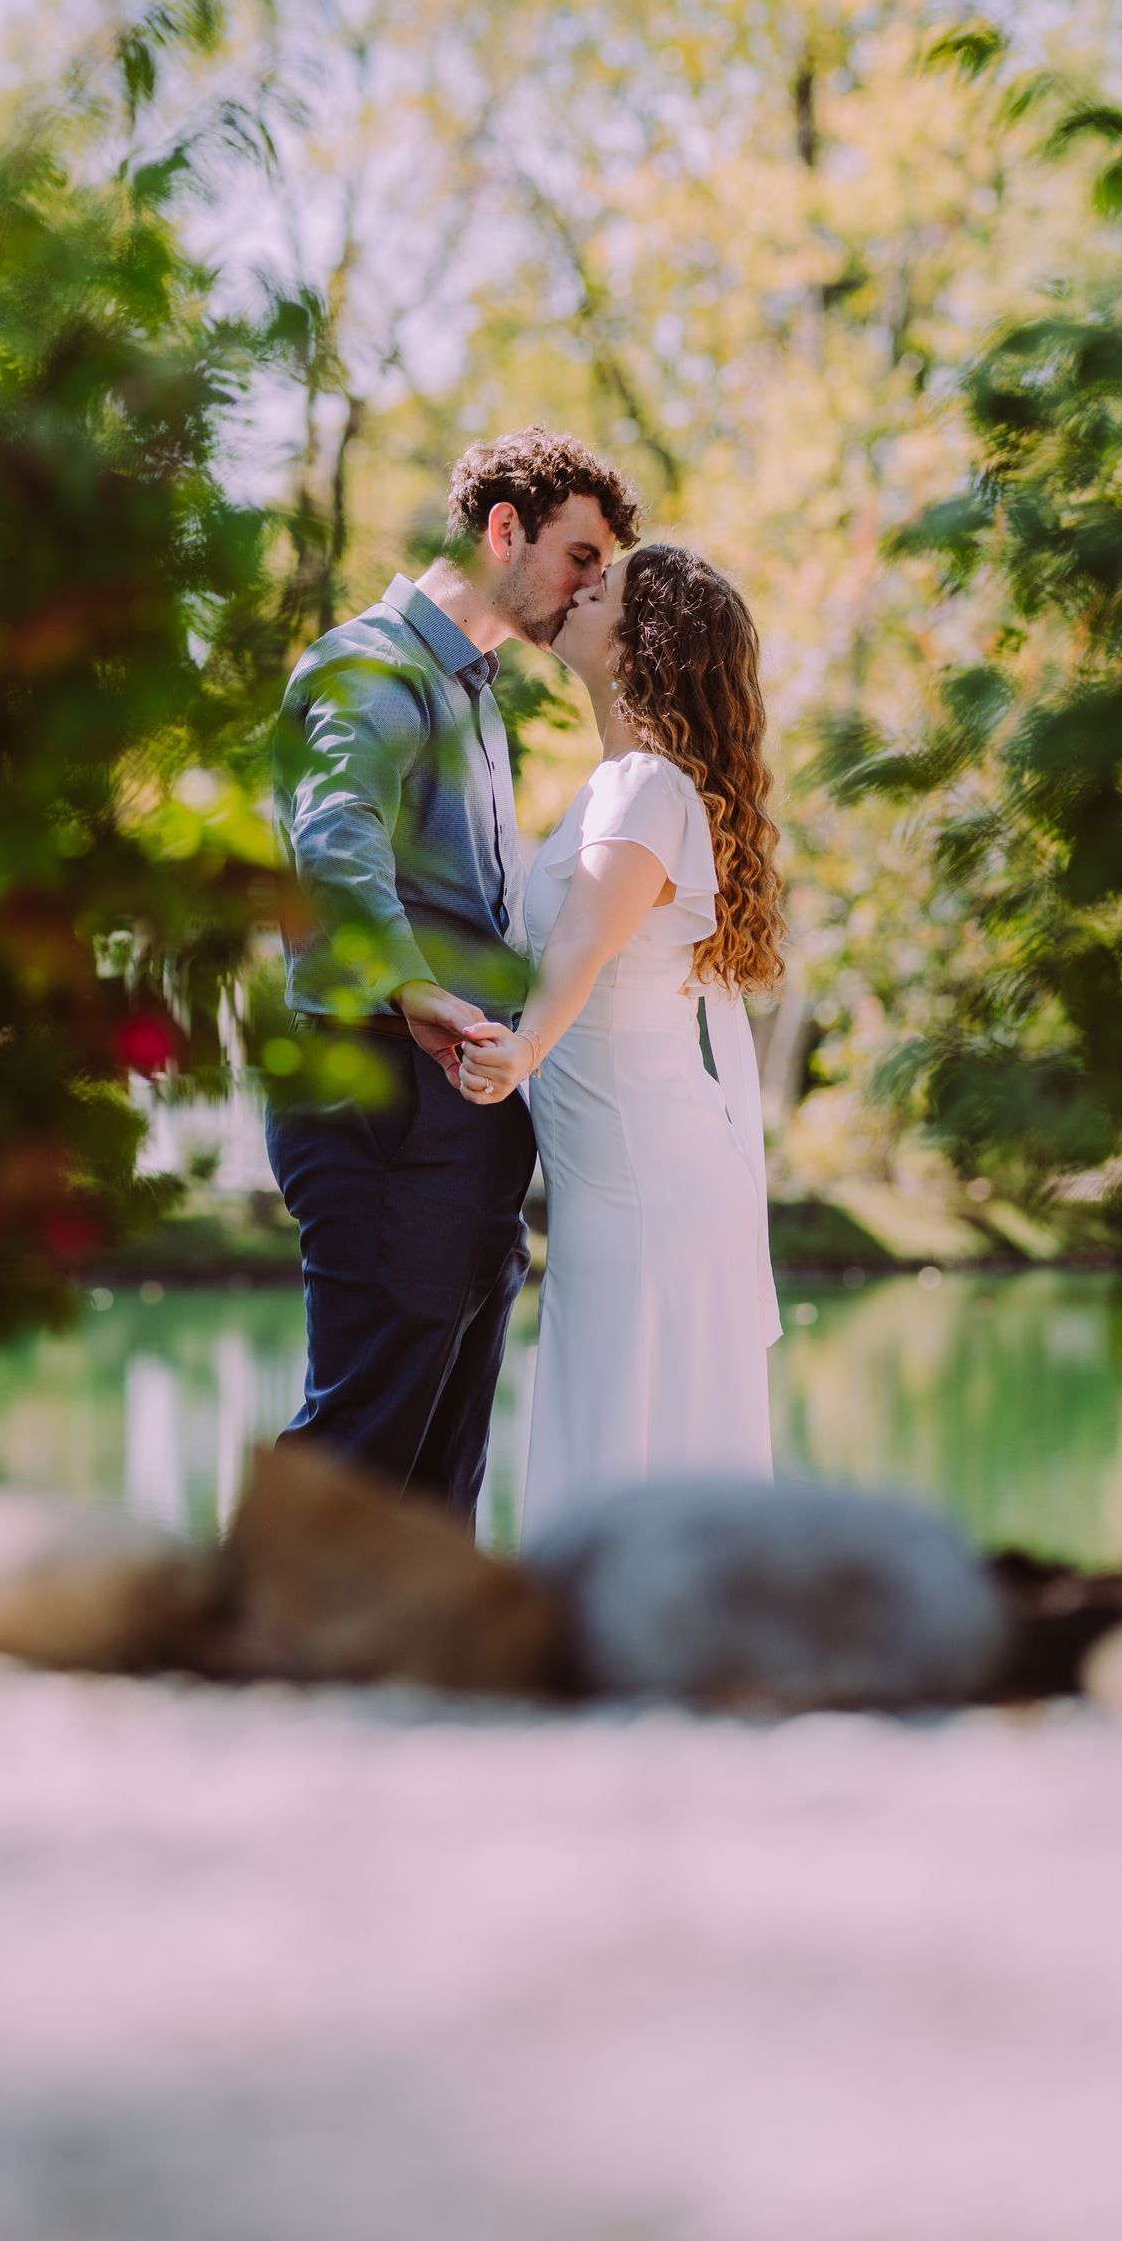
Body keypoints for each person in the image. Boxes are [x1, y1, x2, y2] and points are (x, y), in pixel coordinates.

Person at [267, 428, 641, 1515]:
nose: (587, 589)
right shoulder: (370, 664)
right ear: (504, 529)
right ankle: (257, 1656)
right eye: (580, 557)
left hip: (461, 1110)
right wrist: (419, 993)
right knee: (365, 1436)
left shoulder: (475, 690)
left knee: (440, 1472)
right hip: (378, 1091)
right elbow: (334, 840)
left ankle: (421, 1675)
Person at [459, 542, 785, 1545]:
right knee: (619, 1422)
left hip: (651, 1184)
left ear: (644, 644)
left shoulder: (645, 786)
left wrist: (521, 1053)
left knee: (627, 1430)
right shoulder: (625, 783)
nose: (575, 591)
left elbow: (579, 950)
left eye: (599, 590)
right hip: (626, 1177)